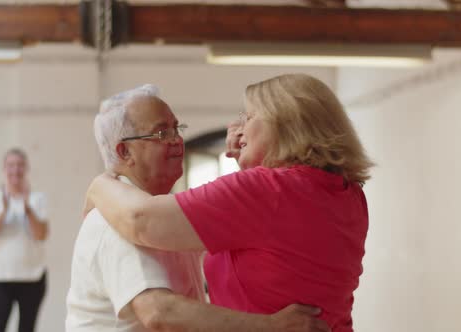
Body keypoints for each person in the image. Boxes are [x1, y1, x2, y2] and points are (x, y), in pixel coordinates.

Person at [85, 74, 373, 332]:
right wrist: (249, 161)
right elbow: (272, 246)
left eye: (249, 117)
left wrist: (98, 186)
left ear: (284, 124)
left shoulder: (266, 192)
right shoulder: (349, 195)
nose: (238, 129)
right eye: (162, 134)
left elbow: (140, 220)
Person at [0, 148, 49, 332]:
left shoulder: (37, 199)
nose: (15, 170)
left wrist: (27, 208)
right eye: (11, 165)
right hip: (1, 279)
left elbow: (41, 235)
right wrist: (3, 212)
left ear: (26, 169)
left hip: (32, 279)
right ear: (4, 169)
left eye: (19, 165)